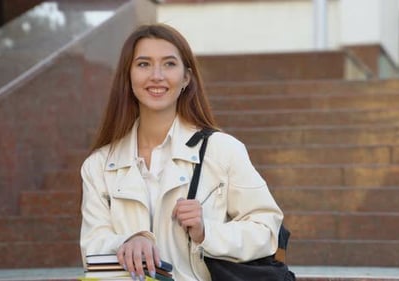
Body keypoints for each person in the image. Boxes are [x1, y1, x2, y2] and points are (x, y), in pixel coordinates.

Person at [79, 23, 284, 281]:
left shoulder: (222, 150)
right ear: (128, 76)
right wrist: (130, 241)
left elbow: (266, 230)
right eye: (143, 64)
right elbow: (92, 245)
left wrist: (206, 231)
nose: (156, 75)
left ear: (186, 77)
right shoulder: (98, 165)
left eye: (169, 64)